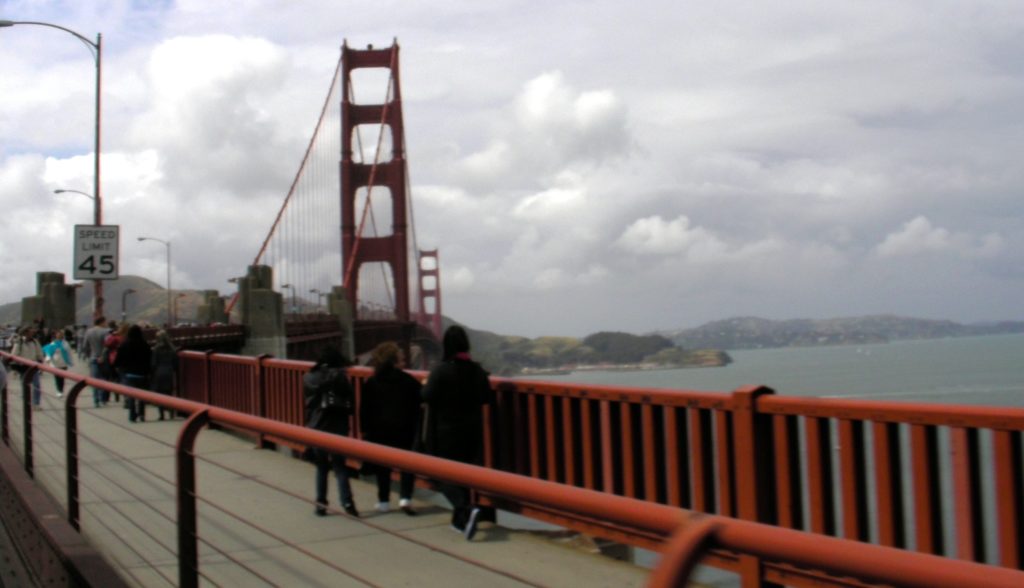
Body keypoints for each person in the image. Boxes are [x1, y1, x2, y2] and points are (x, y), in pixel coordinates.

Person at [421, 325, 495, 540]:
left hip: (445, 432)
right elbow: (485, 398)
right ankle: (459, 523)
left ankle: (465, 508)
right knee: (463, 474)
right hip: (472, 431)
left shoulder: (440, 371)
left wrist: (427, 384)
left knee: (441, 474)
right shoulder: (478, 371)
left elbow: (426, 396)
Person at [360, 341, 422, 515]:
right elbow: (420, 399)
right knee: (406, 464)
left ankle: (384, 501)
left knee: (383, 466)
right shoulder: (408, 380)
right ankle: (405, 499)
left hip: (379, 430)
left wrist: (365, 430)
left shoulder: (371, 382)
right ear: (395, 361)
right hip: (404, 428)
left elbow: (364, 409)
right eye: (400, 357)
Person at [303, 345, 358, 517]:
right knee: (340, 467)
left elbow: (309, 402)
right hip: (337, 428)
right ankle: (348, 503)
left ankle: (321, 504)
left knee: (321, 467)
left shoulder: (309, 377)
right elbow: (351, 402)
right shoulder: (341, 378)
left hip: (317, 427)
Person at [113, 325, 152, 423]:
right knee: (142, 395)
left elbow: (118, 360)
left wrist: (118, 368)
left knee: (131, 395)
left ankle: (132, 415)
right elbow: (150, 358)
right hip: (143, 374)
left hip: (129, 374)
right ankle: (142, 414)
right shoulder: (145, 344)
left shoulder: (124, 344)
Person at [12, 327, 45, 406]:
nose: (32, 333)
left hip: (33, 366)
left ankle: (36, 403)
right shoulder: (19, 342)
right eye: (30, 332)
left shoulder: (35, 342)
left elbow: (39, 353)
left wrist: (40, 361)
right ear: (25, 333)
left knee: (37, 385)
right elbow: (14, 354)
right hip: (23, 367)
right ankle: (26, 401)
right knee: (24, 385)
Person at [150, 330, 178, 420]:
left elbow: (153, 363)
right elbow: (175, 364)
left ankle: (161, 414)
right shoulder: (172, 349)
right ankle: (171, 413)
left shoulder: (156, 349)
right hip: (169, 372)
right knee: (169, 393)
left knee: (160, 394)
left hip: (159, 372)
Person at [82, 317, 110, 407]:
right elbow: (107, 345)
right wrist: (102, 356)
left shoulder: (88, 332)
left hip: (93, 357)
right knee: (103, 379)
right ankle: (102, 399)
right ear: (102, 322)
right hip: (103, 358)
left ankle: (96, 400)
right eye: (105, 322)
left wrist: (88, 355)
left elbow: (85, 345)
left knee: (94, 380)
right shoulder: (106, 331)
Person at [42, 329, 74, 399]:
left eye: (61, 334)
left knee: (62, 378)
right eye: (58, 334)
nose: (59, 335)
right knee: (57, 378)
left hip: (63, 363)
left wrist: (71, 361)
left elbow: (69, 352)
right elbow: (49, 352)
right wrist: (48, 359)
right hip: (55, 363)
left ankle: (61, 390)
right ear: (56, 335)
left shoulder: (65, 343)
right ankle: (58, 391)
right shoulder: (53, 343)